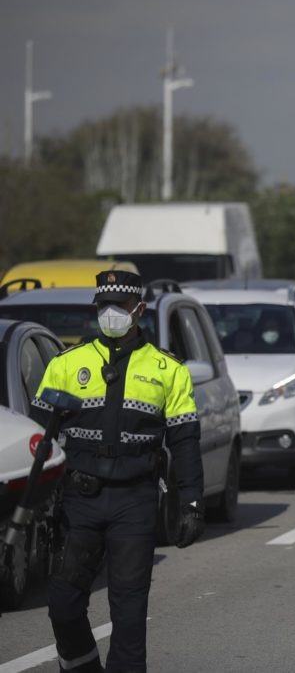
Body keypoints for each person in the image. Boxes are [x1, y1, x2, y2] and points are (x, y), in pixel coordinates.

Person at [29, 270, 205, 672]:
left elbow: (184, 441)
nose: (111, 314)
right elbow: (37, 439)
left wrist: (191, 501)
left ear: (139, 310)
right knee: (63, 605)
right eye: (103, 306)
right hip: (79, 499)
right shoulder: (66, 365)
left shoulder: (168, 369)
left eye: (120, 307)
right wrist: (29, 502)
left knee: (128, 611)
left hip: (136, 500)